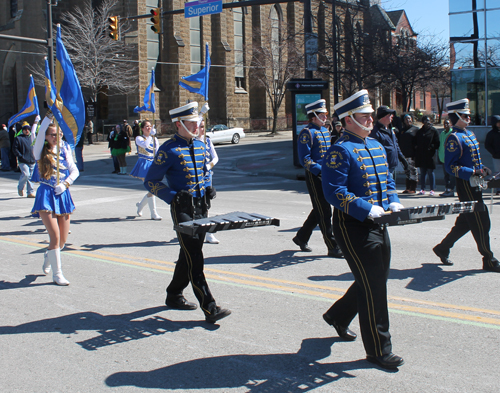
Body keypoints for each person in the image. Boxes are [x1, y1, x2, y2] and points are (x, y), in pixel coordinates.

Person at [321, 89, 405, 370]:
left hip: (379, 222)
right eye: (364, 116)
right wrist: (365, 208)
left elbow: (388, 181)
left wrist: (393, 202)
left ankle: (338, 315)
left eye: (370, 115)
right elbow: (334, 192)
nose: (370, 120)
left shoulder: (376, 146)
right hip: (353, 225)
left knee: (375, 279)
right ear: (347, 120)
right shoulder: (340, 150)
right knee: (374, 289)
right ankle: (379, 350)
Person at [144, 102, 231, 323]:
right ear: (179, 124)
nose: (197, 126)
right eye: (192, 123)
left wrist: (209, 186)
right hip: (182, 209)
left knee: (188, 254)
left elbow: (204, 171)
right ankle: (210, 307)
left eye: (197, 123)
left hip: (201, 207)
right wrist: (172, 196)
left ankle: (173, 294)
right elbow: (150, 181)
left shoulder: (202, 146)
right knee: (195, 257)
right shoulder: (168, 149)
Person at [433, 98, 500, 272]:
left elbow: (473, 160)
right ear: (456, 116)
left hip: (475, 183)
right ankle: (489, 258)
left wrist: (482, 169)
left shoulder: (469, 134)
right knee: (481, 221)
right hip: (465, 185)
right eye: (464, 115)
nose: (468, 118)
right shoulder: (454, 138)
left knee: (466, 222)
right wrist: (472, 172)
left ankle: (442, 248)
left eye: (468, 115)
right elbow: (450, 166)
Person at [31, 113, 79, 285]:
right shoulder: (39, 150)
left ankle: (49, 255)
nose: (55, 137)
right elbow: (40, 132)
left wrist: (66, 184)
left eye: (58, 134)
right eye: (52, 134)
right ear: (46, 136)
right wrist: (48, 118)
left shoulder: (65, 148)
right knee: (55, 236)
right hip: (46, 194)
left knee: (63, 240)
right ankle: (57, 274)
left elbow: (75, 170)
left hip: (62, 193)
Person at [293, 99, 343, 258]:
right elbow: (305, 159)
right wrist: (321, 171)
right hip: (315, 176)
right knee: (324, 211)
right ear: (313, 116)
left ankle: (301, 237)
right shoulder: (307, 132)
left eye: (325, 114)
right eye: (321, 114)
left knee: (320, 209)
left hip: (327, 175)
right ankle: (332, 245)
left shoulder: (324, 131)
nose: (325, 117)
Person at [197, 104, 220, 244]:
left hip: (207, 176)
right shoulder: (192, 141)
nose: (201, 128)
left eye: (203, 126)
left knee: (206, 204)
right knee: (197, 205)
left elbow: (216, 158)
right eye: (200, 126)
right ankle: (197, 228)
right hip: (195, 178)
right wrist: (201, 113)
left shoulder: (207, 141)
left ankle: (209, 233)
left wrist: (209, 165)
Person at [130, 120, 161, 220]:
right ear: (142, 129)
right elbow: (145, 145)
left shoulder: (154, 139)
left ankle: (140, 206)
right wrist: (151, 136)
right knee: (151, 188)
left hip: (152, 163)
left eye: (150, 126)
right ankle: (153, 213)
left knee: (151, 189)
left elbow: (157, 152)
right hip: (144, 164)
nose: (149, 128)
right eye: (147, 126)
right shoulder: (139, 138)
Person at [370, 106, 409, 178]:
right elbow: (374, 152)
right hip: (383, 169)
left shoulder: (390, 130)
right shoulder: (375, 132)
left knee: (392, 188)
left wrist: (403, 161)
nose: (392, 116)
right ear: (383, 116)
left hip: (392, 167)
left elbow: (396, 146)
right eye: (390, 115)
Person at [413, 116, 439, 196]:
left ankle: (432, 189)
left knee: (430, 172)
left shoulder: (433, 131)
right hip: (421, 155)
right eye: (426, 121)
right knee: (423, 172)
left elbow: (437, 143)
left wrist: (432, 147)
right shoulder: (420, 131)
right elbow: (415, 141)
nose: (428, 122)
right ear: (423, 122)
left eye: (429, 121)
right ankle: (422, 189)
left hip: (430, 155)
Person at [12, 121, 37, 198]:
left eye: (28, 129)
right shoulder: (18, 138)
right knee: (26, 174)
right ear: (22, 130)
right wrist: (20, 156)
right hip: (23, 160)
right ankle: (20, 187)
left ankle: (30, 192)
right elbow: (14, 149)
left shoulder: (32, 138)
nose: (27, 131)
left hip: (32, 160)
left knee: (31, 177)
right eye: (25, 129)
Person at [397, 114, 419, 193]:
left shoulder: (415, 129)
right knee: (407, 171)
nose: (408, 120)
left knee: (413, 171)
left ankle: (413, 188)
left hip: (412, 154)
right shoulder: (402, 130)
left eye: (409, 119)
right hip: (404, 155)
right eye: (406, 119)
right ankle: (408, 187)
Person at [438, 119, 455, 197]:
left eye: (447, 124)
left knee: (451, 175)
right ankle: (446, 189)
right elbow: (441, 145)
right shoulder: (442, 133)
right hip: (443, 158)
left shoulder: (452, 133)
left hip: (450, 159)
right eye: (445, 124)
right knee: (446, 176)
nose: (446, 125)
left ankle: (451, 190)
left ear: (450, 124)